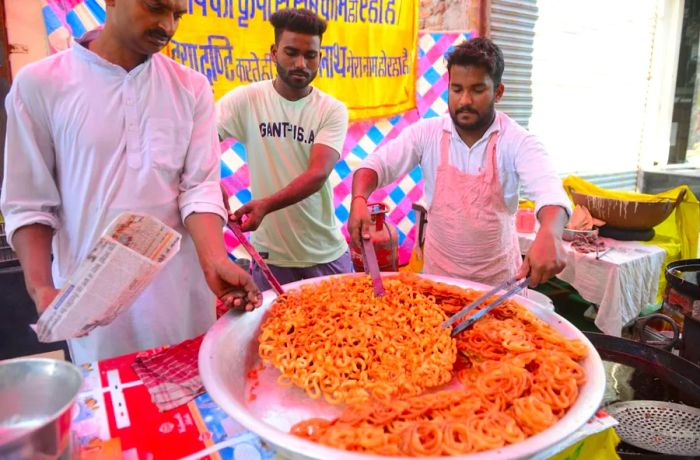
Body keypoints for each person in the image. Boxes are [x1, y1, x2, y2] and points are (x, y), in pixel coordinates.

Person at [0, 0, 261, 364]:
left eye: (177, 15)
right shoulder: (41, 84)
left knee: (196, 407)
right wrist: (42, 288)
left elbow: (199, 188)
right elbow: (29, 201)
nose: (167, 26)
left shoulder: (192, 88)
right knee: (115, 411)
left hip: (181, 299)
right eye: (155, 7)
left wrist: (213, 260)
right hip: (93, 309)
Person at [348, 38, 571, 287]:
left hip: (496, 286)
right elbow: (375, 165)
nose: (464, 100)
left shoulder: (518, 142)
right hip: (437, 281)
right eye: (456, 89)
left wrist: (550, 232)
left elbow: (549, 191)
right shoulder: (427, 133)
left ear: (498, 92)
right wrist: (359, 199)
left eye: (477, 90)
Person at [216, 8, 352, 289]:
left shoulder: (332, 110)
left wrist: (266, 205)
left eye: (310, 55)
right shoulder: (246, 100)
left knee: (342, 329)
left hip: (324, 252)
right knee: (274, 332)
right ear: (274, 51)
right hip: (270, 256)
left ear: (320, 57)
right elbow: (199, 142)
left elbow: (318, 174)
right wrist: (210, 182)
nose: (301, 63)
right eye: (291, 52)